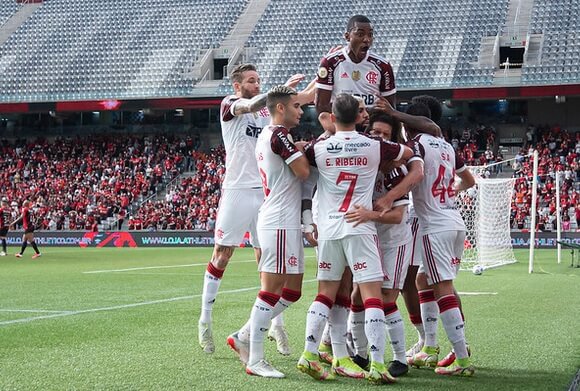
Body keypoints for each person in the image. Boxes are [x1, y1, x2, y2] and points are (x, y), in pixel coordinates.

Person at [297, 94, 415, 384]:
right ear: (360, 118)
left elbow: (301, 152)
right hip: (360, 226)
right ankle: (376, 364)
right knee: (372, 295)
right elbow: (408, 155)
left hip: (329, 228)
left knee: (325, 293)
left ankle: (309, 354)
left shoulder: (320, 147)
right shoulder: (375, 145)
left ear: (333, 118)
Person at [198, 63, 314, 354]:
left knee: (268, 262)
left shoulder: (267, 112)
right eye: (251, 80)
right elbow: (252, 104)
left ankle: (275, 326)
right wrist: (279, 92)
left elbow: (300, 99)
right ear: (237, 86)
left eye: (259, 80)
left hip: (265, 193)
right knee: (222, 254)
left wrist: (319, 79)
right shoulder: (231, 104)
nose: (256, 84)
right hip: (237, 190)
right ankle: (205, 320)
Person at [381, 102, 476, 376]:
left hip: (434, 224)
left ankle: (462, 359)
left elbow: (415, 174)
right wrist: (450, 192)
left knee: (442, 286)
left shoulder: (417, 145)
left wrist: (389, 196)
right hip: (452, 220)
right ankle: (431, 347)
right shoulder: (446, 146)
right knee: (424, 280)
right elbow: (468, 180)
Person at [227, 86, 310, 378]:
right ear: (280, 109)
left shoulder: (270, 135)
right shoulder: (277, 134)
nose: (301, 111)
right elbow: (303, 172)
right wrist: (303, 151)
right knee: (271, 291)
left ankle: (244, 334)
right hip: (278, 221)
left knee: (293, 291)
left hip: (285, 220)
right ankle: (256, 359)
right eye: (296, 106)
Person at [344, 111, 414, 377]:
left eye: (385, 134)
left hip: (394, 242)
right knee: (356, 296)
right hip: (370, 240)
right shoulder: (362, 164)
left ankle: (399, 358)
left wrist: (369, 215)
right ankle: (361, 354)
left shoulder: (396, 171)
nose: (379, 137)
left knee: (386, 299)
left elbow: (397, 216)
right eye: (375, 133)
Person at [315, 14, 396, 114]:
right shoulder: (330, 62)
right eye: (360, 34)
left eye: (370, 35)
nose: (367, 39)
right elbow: (321, 106)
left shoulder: (383, 66)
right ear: (347, 37)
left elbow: (390, 107)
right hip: (341, 125)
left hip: (371, 126)